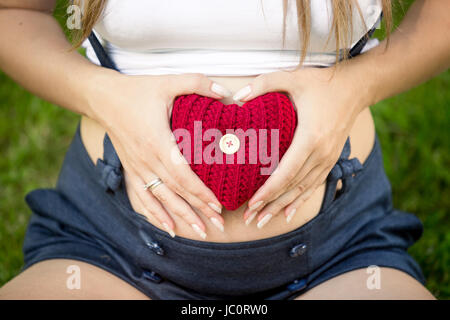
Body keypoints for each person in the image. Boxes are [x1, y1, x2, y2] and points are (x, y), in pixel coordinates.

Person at [0, 0, 447, 299]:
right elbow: (15, 13)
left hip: (339, 253)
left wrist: (355, 86)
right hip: (108, 252)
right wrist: (107, 97)